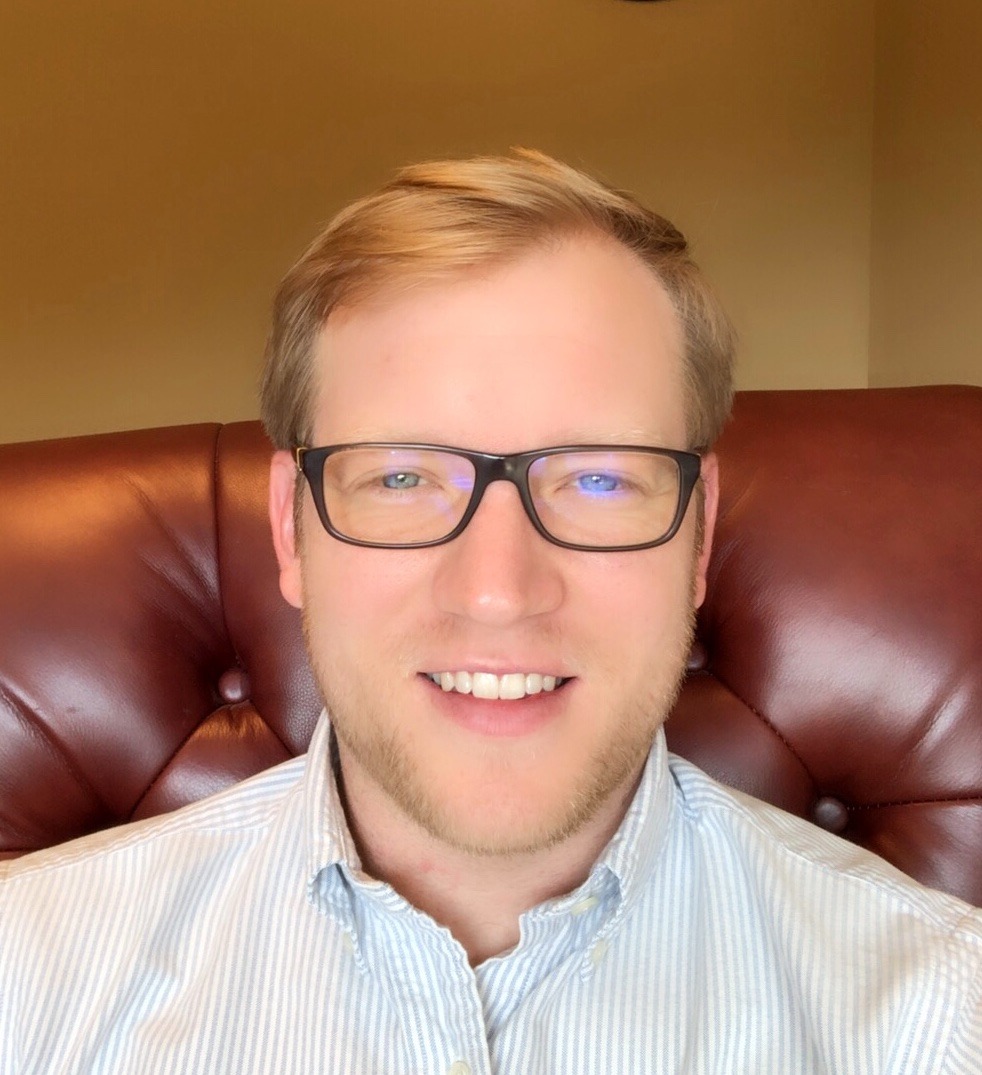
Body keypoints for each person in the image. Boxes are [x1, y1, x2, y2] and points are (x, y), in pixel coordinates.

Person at [1, 150, 979, 1074]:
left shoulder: (937, 1019)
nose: (497, 591)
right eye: (401, 477)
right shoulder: (26, 979)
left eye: (598, 479)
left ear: (699, 532)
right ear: (291, 531)